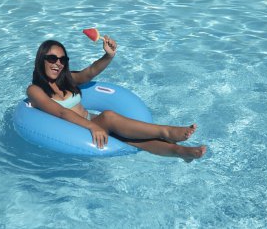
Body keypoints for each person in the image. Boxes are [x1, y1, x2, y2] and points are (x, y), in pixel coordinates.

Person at [27, 37, 206, 162]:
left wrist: (109, 56)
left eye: (62, 59)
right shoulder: (35, 90)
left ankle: (182, 152)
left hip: (91, 123)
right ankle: (166, 131)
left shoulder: (66, 80)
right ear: (41, 60)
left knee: (136, 141)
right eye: (52, 58)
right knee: (109, 116)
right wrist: (93, 126)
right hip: (79, 131)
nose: (58, 63)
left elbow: (88, 73)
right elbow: (60, 111)